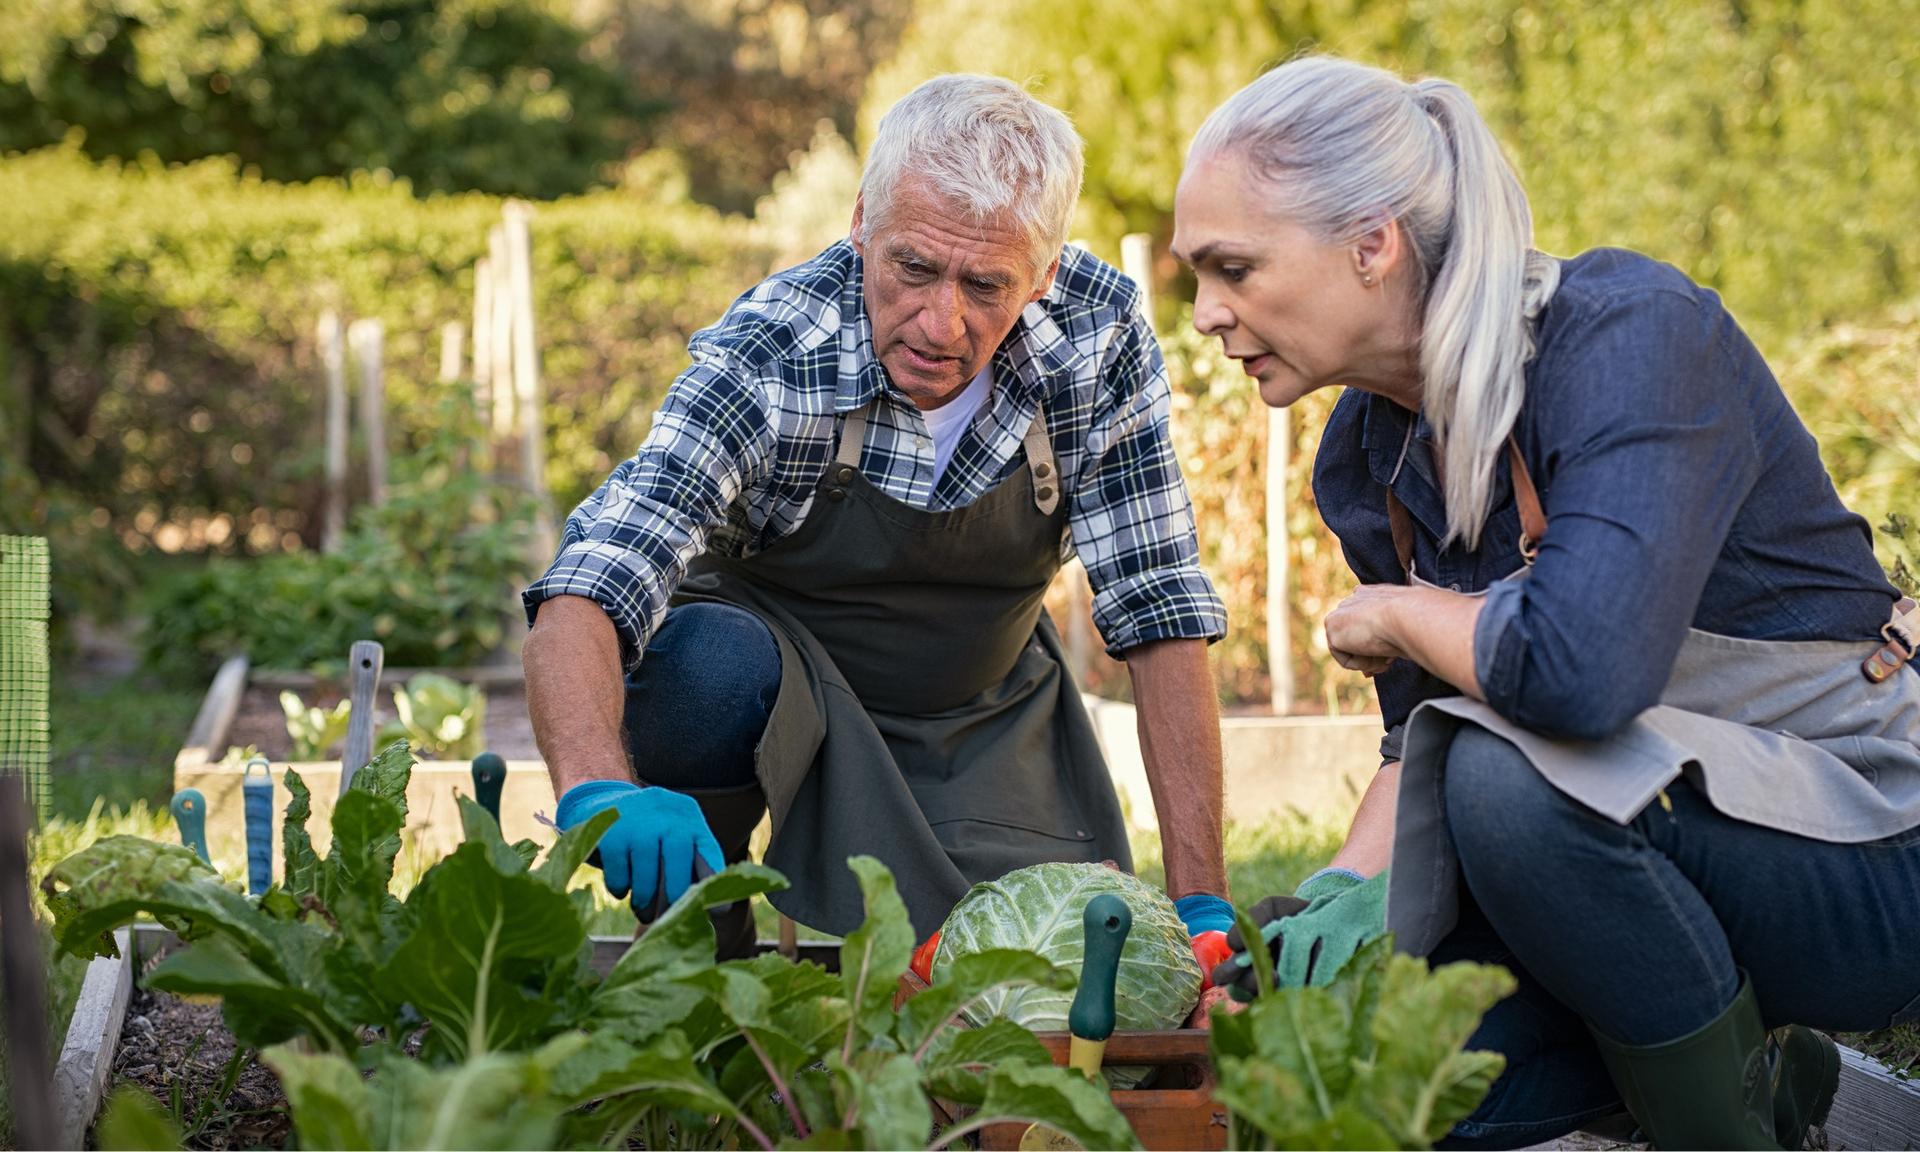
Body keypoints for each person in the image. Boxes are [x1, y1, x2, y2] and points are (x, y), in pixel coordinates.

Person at [1171, 55, 1920, 1149]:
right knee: (1392, 1079)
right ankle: (1773, 1078)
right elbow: (1419, 743)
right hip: (1638, 856)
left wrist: (1394, 613)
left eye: (1233, 268)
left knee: (1507, 784)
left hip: (1869, 848)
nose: (1204, 315)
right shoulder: (1367, 452)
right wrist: (1332, 904)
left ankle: (1740, 1128)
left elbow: (1580, 670)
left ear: (1371, 246)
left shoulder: (1629, 338)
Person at [522, 73, 1236, 959]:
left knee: (1018, 978)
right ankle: (698, 956)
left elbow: (1158, 602)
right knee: (701, 670)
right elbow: (598, 572)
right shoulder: (777, 350)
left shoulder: (1097, 335)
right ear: (863, 221)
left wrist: (1204, 904)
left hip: (982, 706)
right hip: (782, 690)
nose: (941, 323)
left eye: (985, 284)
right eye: (913, 268)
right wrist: (598, 788)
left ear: (1045, 274)